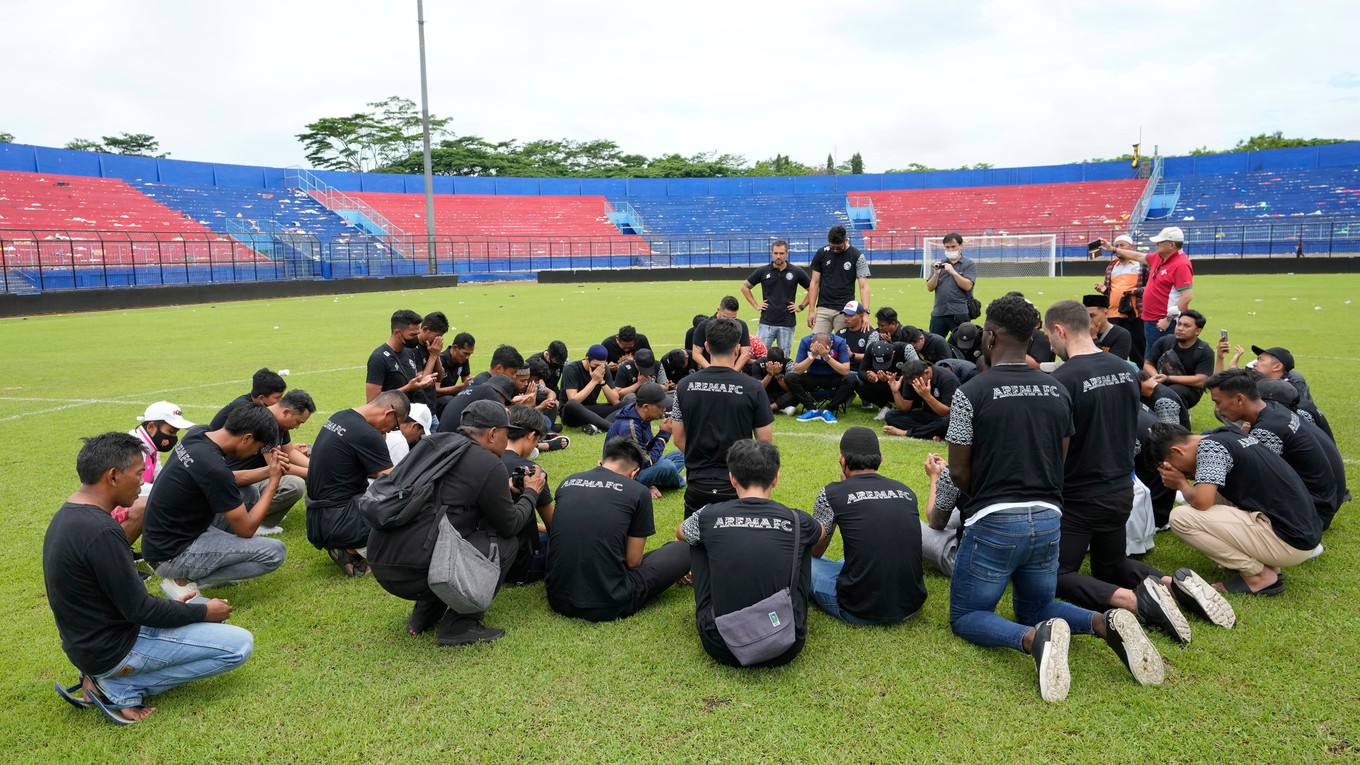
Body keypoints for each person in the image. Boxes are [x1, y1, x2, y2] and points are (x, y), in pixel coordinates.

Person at [945, 293, 1164, 702]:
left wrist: (988, 499)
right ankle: (1104, 622)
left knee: (967, 616)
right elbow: (1060, 458)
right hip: (1050, 517)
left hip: (995, 517)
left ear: (989, 338)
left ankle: (1033, 641)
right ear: (1033, 338)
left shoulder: (970, 392)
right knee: (1038, 603)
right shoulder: (1057, 389)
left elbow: (958, 470)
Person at [1045, 300, 1232, 642]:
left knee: (1056, 574)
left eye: (1048, 336)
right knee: (1111, 564)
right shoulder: (1125, 369)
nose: (1049, 344)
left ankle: (1137, 602)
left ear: (1059, 330)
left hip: (1080, 494)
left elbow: (1060, 446)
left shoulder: (1064, 378)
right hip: (1122, 489)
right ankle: (1174, 585)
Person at [42, 432, 248, 725]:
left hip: (88, 645)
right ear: (113, 476)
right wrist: (203, 611)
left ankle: (106, 678)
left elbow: (119, 598)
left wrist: (179, 608)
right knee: (239, 645)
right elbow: (140, 610)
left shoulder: (67, 516)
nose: (142, 481)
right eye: (139, 473)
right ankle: (119, 686)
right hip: (113, 649)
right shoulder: (101, 531)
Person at [367, 400, 545, 646]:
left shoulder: (435, 443)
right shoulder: (488, 461)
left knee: (448, 531)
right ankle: (460, 625)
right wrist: (531, 493)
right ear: (493, 434)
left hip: (381, 558)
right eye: (507, 434)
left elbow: (449, 493)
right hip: (413, 570)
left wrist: (501, 489)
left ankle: (422, 618)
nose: (507, 442)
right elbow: (510, 525)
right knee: (505, 543)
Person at [678, 440, 825, 668]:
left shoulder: (708, 515)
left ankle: (716, 615)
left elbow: (680, 532)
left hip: (719, 642)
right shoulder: (798, 520)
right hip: (786, 642)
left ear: (732, 478)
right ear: (775, 478)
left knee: (695, 538)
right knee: (804, 539)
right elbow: (821, 532)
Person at [1150, 422, 1323, 596]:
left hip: (1290, 542)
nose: (1186, 474)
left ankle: (1259, 576)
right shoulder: (1227, 434)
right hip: (1301, 531)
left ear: (1177, 451)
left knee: (1181, 518)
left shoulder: (1210, 448)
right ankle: (1269, 564)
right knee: (1210, 493)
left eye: (1178, 468)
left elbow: (1202, 501)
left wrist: (1181, 483)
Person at [140, 404, 287, 599]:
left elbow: (225, 478)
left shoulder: (199, 435)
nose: (255, 454)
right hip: (171, 555)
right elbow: (247, 529)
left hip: (163, 537)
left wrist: (269, 471)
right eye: (258, 448)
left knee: (248, 493)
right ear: (247, 438)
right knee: (275, 552)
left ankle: (206, 562)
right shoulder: (213, 467)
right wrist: (273, 482)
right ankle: (182, 582)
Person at [547, 437, 691, 622]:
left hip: (557, 597)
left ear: (601, 462)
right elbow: (632, 562)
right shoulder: (637, 491)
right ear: (635, 472)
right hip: (609, 601)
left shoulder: (568, 482)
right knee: (683, 549)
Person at [808, 427, 927, 625]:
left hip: (859, 608)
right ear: (881, 459)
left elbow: (815, 551)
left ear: (842, 460)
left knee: (803, 561)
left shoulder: (832, 493)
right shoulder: (906, 491)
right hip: (912, 605)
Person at [1205, 369, 1342, 530]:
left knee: (1222, 485)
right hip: (1321, 502)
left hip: (1309, 515)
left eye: (1218, 402)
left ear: (1240, 399)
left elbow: (1253, 480)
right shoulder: (1272, 409)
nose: (1217, 409)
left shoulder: (1267, 430)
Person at [670, 316, 775, 518]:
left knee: (694, 540)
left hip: (697, 482)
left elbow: (678, 438)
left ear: (707, 347)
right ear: (737, 348)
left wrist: (700, 458)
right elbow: (765, 442)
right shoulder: (753, 387)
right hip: (738, 482)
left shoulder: (684, 386)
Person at [305, 390, 409, 577]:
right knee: (405, 505)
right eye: (394, 426)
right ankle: (350, 549)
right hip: (339, 520)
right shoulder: (367, 434)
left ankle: (346, 544)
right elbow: (393, 480)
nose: (388, 431)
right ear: (389, 414)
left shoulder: (340, 417)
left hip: (316, 519)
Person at [219, 388, 316, 536]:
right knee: (294, 485)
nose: (297, 427)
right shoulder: (266, 423)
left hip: (256, 474)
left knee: (308, 471)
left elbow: (289, 451)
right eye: (298, 422)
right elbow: (276, 466)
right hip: (240, 480)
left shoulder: (277, 421)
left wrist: (315, 467)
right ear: (286, 412)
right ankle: (259, 523)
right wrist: (315, 473)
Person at [1106, 227, 1194, 357]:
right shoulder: (1159, 258)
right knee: (1152, 357)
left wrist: (1168, 319)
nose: (1156, 244)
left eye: (1160, 242)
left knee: (1162, 359)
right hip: (1150, 319)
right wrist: (1113, 249)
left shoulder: (1180, 264)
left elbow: (1187, 297)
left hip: (1163, 322)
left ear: (1171, 245)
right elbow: (1138, 256)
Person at [118, 401, 196, 544]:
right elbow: (131, 487)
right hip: (108, 509)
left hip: (123, 503)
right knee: (147, 505)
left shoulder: (150, 448)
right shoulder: (131, 449)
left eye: (176, 432)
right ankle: (115, 552)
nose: (173, 437)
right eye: (171, 432)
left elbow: (160, 478)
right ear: (151, 427)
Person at [604, 382, 686, 498]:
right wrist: (663, 435)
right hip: (625, 475)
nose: (663, 409)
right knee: (666, 466)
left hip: (638, 465)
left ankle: (656, 481)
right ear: (646, 407)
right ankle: (680, 481)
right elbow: (647, 461)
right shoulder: (630, 426)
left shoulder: (641, 417)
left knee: (682, 453)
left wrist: (661, 434)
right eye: (659, 406)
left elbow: (645, 450)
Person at [502, 405, 555, 584]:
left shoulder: (485, 461)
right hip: (520, 566)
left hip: (486, 557)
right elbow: (554, 527)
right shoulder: (531, 471)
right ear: (532, 436)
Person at [741, 239, 810, 351]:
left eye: (781, 253)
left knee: (784, 357)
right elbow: (744, 287)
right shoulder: (763, 271)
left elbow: (813, 289)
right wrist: (755, 305)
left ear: (787, 254)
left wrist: (801, 306)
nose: (778, 256)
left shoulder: (796, 271)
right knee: (760, 355)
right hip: (766, 322)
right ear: (771, 253)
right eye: (776, 253)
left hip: (787, 323)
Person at [1092, 234, 1149, 365]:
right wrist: (1104, 290)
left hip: (1135, 313)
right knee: (1112, 349)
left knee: (1137, 349)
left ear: (1131, 246)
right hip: (1113, 313)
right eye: (1117, 246)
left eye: (1122, 245)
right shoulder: (1111, 267)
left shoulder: (1142, 265)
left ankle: (1140, 378)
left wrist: (1136, 291)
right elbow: (1111, 290)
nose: (1119, 248)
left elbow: (1151, 287)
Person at [806, 225, 871, 334]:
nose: (835, 250)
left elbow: (864, 286)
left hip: (845, 311)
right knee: (816, 345)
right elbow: (815, 282)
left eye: (839, 247)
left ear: (846, 240)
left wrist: (866, 313)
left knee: (843, 347)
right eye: (833, 247)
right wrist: (811, 311)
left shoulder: (857, 256)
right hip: (823, 309)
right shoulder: (821, 253)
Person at [365, 309, 437, 405]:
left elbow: (411, 380)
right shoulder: (378, 358)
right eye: (413, 335)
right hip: (393, 417)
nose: (416, 338)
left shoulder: (409, 351)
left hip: (415, 412)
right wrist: (407, 388)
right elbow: (372, 399)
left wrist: (422, 381)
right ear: (397, 333)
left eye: (418, 334)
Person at [1144, 309, 1213, 409]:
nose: (1180, 328)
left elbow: (1201, 380)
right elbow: (1148, 364)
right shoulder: (1165, 341)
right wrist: (1157, 378)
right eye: (1179, 324)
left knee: (1171, 393)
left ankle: (1179, 418)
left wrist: (1168, 378)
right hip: (1160, 381)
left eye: (1186, 326)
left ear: (1197, 331)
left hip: (1189, 389)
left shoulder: (1204, 350)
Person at [788, 331, 856, 423]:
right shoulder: (805, 341)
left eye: (823, 348)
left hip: (833, 377)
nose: (820, 350)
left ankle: (829, 409)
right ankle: (811, 409)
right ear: (812, 343)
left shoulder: (839, 342)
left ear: (831, 344)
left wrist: (826, 356)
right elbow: (797, 370)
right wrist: (813, 355)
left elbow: (845, 370)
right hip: (812, 376)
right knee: (790, 378)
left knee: (851, 379)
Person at [882, 358, 958, 440]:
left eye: (915, 381)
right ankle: (932, 432)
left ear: (927, 373)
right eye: (911, 382)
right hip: (927, 415)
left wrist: (927, 396)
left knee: (946, 423)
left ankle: (906, 432)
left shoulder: (947, 378)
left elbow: (946, 413)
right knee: (891, 416)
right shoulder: (911, 380)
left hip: (944, 417)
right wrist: (895, 392)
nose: (914, 384)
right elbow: (905, 408)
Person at [560, 343, 624, 434]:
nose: (598, 369)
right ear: (587, 359)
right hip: (571, 414)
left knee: (626, 404)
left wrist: (602, 382)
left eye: (601, 365)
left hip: (591, 410)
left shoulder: (603, 369)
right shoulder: (571, 369)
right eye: (595, 365)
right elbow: (573, 399)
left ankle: (596, 427)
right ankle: (609, 427)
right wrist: (594, 381)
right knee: (571, 404)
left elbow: (615, 400)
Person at [925, 232, 978, 340]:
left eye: (953, 246)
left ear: (961, 245)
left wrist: (953, 272)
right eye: (947, 247)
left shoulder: (969, 264)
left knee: (962, 344)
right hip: (939, 311)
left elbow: (968, 286)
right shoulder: (939, 264)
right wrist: (935, 274)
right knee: (934, 342)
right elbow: (930, 288)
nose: (950, 250)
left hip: (959, 312)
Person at [920, 453, 963, 577]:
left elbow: (935, 522)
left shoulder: (957, 470)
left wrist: (935, 477)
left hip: (970, 561)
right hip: (1016, 554)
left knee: (901, 520)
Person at [207, 368, 287, 428]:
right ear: (261, 398)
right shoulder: (245, 410)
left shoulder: (252, 401)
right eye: (278, 398)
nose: (281, 401)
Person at [858, 339, 915, 420]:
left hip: (903, 385)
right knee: (860, 385)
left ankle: (905, 407)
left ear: (893, 354)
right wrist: (870, 376)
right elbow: (861, 371)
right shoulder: (872, 348)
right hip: (882, 383)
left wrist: (893, 379)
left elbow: (916, 375)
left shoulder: (906, 349)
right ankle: (886, 406)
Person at [691, 296, 753, 370]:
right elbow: (696, 353)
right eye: (725, 317)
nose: (729, 321)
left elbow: (745, 354)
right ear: (718, 310)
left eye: (733, 318)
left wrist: (733, 371)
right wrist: (711, 370)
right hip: (708, 371)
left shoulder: (741, 326)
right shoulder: (704, 326)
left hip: (733, 371)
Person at [437, 373, 515, 432]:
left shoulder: (472, 389)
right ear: (500, 393)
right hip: (453, 439)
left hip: (443, 436)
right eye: (504, 401)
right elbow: (506, 416)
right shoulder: (487, 390)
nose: (503, 403)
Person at [435, 331, 476, 412]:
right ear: (455, 348)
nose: (467, 357)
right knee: (449, 400)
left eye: (470, 354)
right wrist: (458, 387)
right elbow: (435, 391)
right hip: (436, 399)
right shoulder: (440, 361)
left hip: (450, 395)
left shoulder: (463, 359)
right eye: (465, 353)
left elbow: (466, 380)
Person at [1083, 294, 1133, 361]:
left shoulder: (1121, 335)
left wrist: (1093, 338)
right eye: (1085, 316)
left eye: (1092, 315)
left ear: (1106, 313)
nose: (1088, 320)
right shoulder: (1081, 333)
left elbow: (1113, 365)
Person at [834, 300, 876, 371]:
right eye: (845, 315)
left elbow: (871, 357)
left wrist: (852, 355)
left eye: (850, 315)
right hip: (842, 371)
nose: (846, 318)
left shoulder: (871, 334)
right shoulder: (840, 333)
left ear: (861, 316)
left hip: (861, 372)